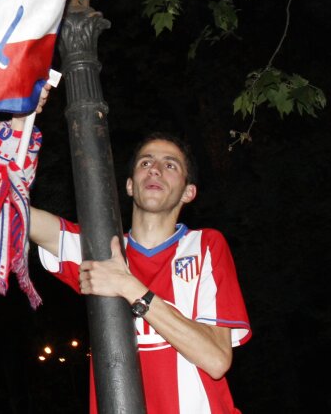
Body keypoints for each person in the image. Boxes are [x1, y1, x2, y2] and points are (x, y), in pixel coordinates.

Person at [15, 94, 251, 414]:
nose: (155, 170)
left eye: (170, 165)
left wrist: (128, 286)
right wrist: (20, 122)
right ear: (129, 185)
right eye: (145, 162)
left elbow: (216, 359)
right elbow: (11, 210)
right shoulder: (101, 250)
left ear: (188, 191)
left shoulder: (206, 246)